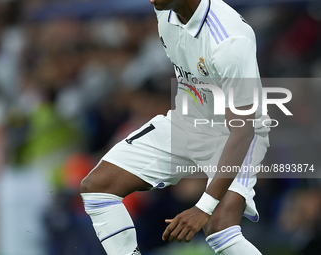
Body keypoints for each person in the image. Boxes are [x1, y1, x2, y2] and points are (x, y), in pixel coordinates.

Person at [80, 0, 271, 254]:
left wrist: (203, 207)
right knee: (97, 188)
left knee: (220, 229)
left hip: (235, 133)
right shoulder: (164, 11)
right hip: (185, 122)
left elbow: (243, 129)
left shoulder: (230, 40)